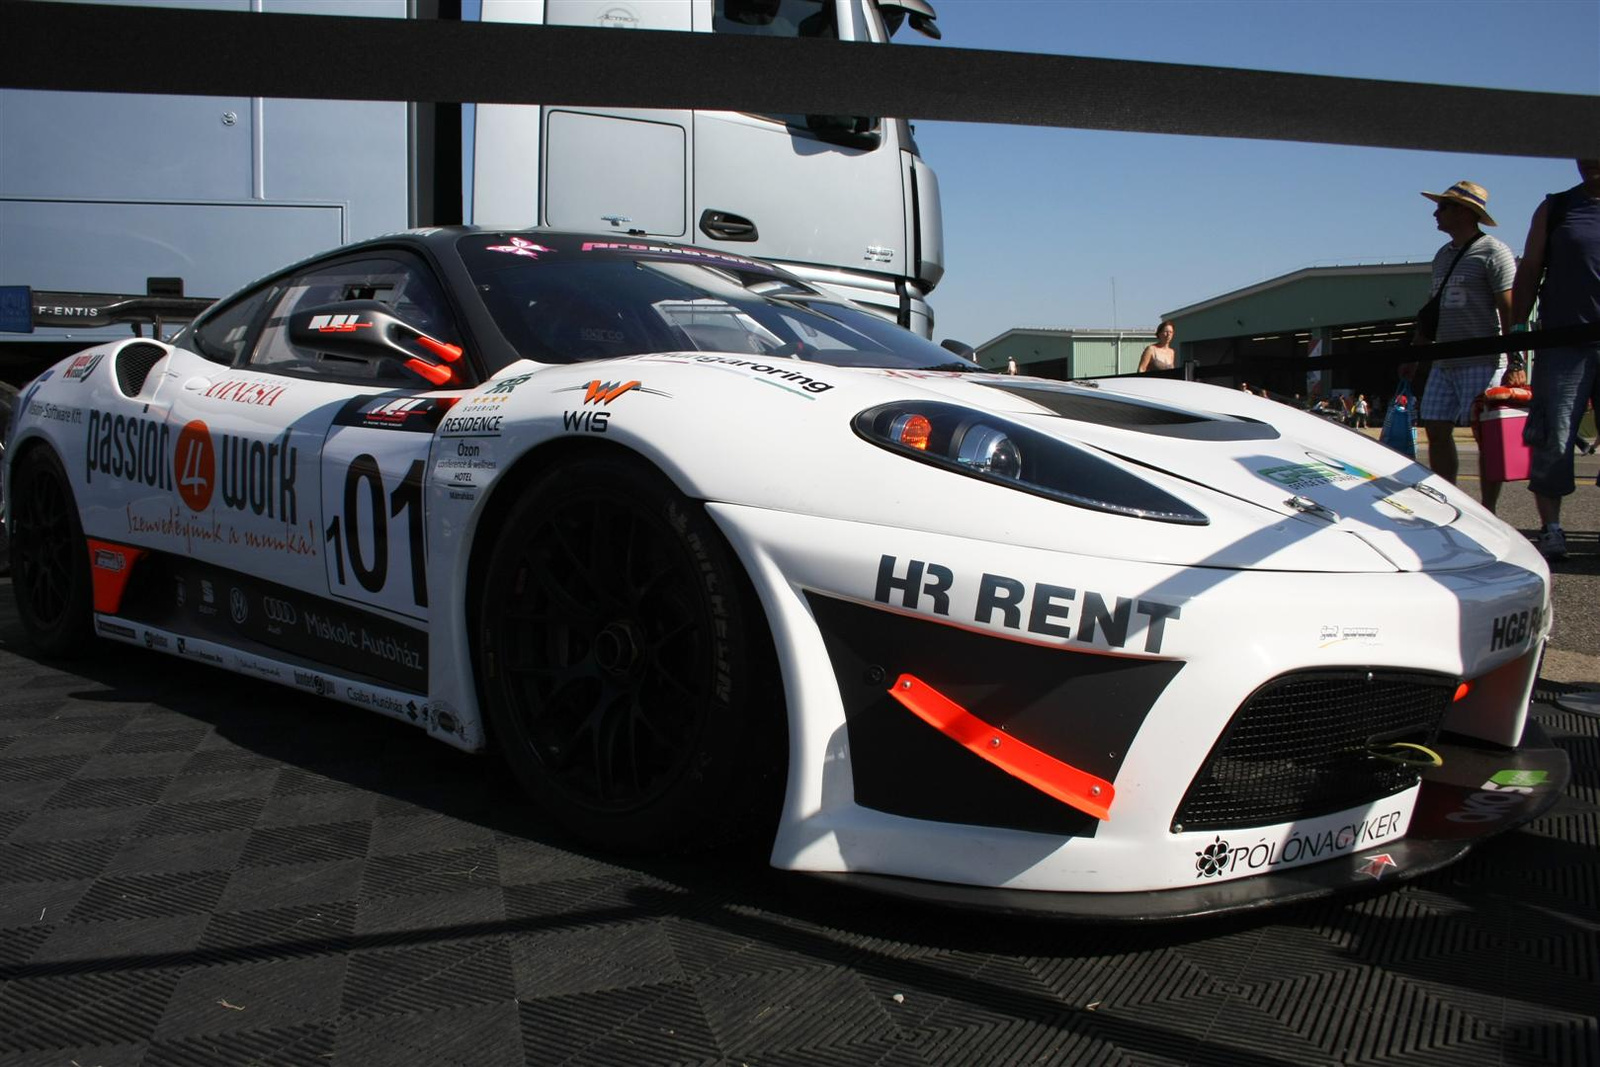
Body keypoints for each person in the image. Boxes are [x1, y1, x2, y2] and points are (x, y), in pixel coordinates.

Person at [1408, 180, 1523, 513]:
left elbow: (1508, 308)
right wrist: (1417, 353)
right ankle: (1450, 501)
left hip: (1483, 359)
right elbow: (1433, 308)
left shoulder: (1493, 251)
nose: (1435, 212)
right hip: (1444, 359)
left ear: (1464, 211)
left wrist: (1515, 361)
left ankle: (1488, 509)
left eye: (1443, 206)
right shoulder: (1442, 255)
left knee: (1485, 436)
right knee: (1436, 426)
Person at [1511, 158, 1600, 561]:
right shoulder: (1557, 207)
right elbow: (1530, 269)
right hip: (1564, 340)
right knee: (1554, 436)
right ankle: (1551, 529)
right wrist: (1515, 331)